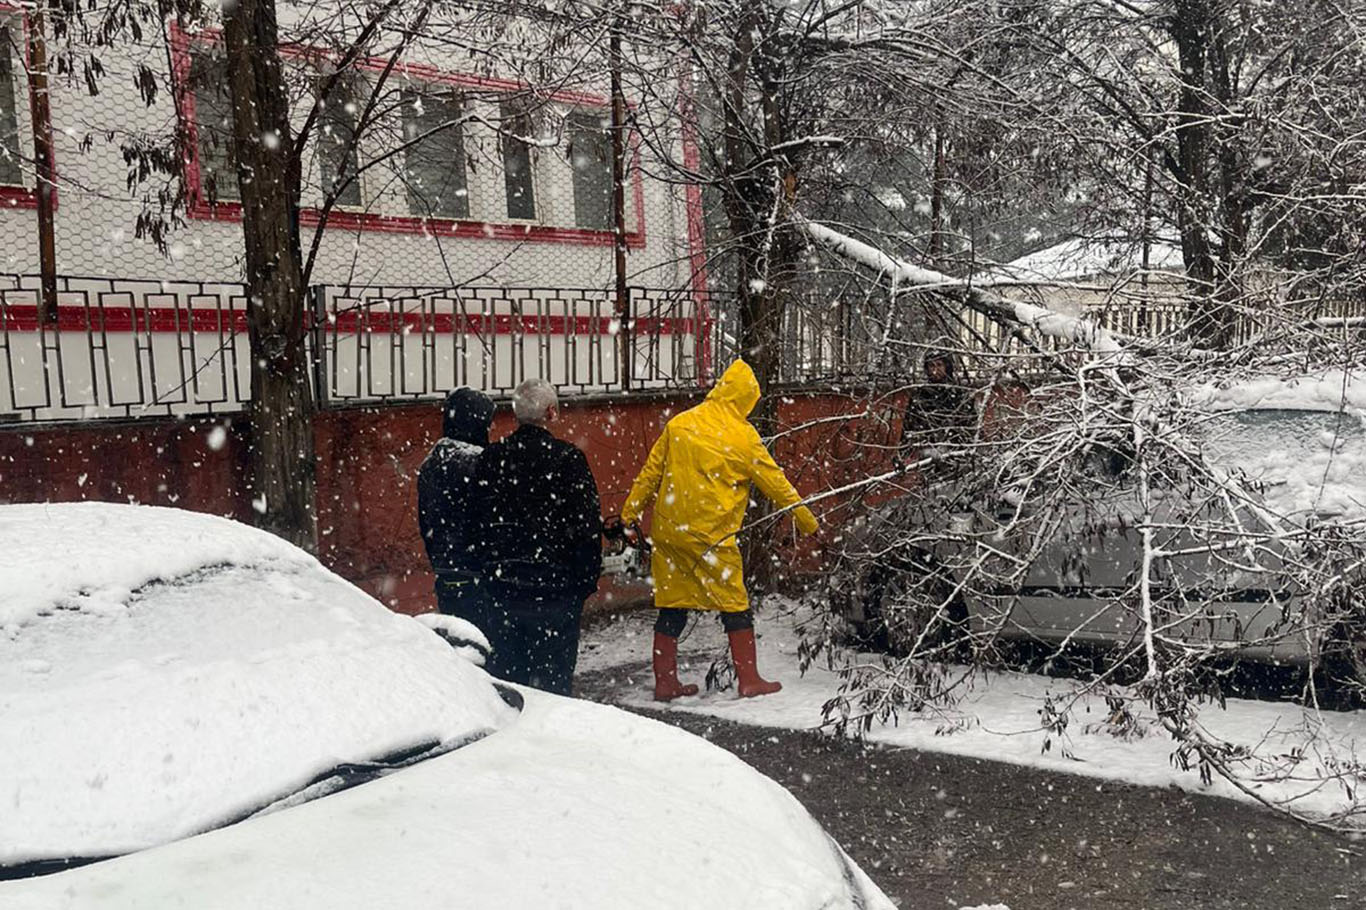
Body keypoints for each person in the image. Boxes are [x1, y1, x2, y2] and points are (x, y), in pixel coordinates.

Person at [621, 358, 819, 701]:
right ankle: (749, 678)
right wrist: (808, 521)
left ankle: (665, 683)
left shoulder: (680, 425)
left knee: (672, 606)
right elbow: (778, 485)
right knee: (735, 606)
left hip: (671, 533)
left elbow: (650, 474)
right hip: (713, 536)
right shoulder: (743, 437)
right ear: (745, 399)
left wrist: (629, 514)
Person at [472, 378, 602, 696]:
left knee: (509, 688)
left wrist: (490, 575)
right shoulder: (567, 460)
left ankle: (516, 740)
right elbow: (586, 528)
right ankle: (549, 740)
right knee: (554, 686)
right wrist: (582, 584)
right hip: (555, 592)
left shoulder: (491, 460)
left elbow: (478, 525)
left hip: (504, 591)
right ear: (551, 412)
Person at [417, 387, 495, 622]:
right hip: (479, 573)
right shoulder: (478, 461)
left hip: (446, 570)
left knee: (461, 640)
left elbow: (426, 520)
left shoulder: (432, 460)